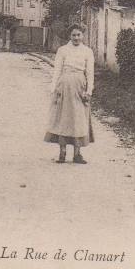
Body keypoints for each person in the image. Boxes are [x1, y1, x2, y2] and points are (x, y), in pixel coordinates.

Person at [44, 23, 95, 164]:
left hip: (80, 85)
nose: (76, 38)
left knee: (78, 118)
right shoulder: (62, 50)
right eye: (73, 35)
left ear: (83, 35)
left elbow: (90, 74)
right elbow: (57, 70)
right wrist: (54, 89)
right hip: (65, 84)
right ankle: (62, 152)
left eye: (79, 35)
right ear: (69, 36)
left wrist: (89, 90)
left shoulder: (87, 52)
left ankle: (77, 154)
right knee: (63, 118)